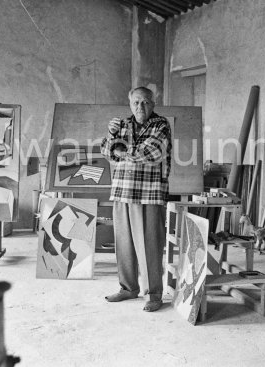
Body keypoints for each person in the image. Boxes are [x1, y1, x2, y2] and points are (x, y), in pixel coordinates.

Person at [100, 86, 172, 312]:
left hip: (149, 193)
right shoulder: (121, 125)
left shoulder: (161, 125)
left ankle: (154, 294)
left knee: (150, 245)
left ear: (153, 103)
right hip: (122, 191)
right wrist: (112, 136)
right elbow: (106, 150)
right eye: (136, 103)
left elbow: (151, 153)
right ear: (130, 104)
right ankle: (128, 288)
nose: (141, 107)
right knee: (124, 245)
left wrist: (120, 150)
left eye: (146, 102)